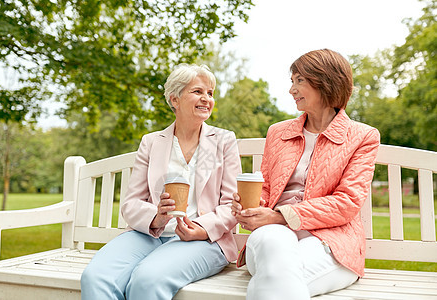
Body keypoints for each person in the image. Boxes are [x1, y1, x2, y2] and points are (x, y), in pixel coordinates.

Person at [81, 64, 242, 299]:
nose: (207, 99)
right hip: (149, 234)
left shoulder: (224, 141)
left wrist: (202, 229)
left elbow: (231, 205)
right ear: (174, 99)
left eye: (210, 93)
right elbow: (132, 203)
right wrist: (156, 217)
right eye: (198, 91)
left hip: (204, 240)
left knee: (147, 280)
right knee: (95, 278)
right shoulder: (151, 142)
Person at [231, 49, 380, 299]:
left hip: (332, 243)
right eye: (292, 81)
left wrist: (280, 216)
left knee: (275, 279)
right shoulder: (278, 132)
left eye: (300, 80)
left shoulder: (363, 136)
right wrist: (253, 206)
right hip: (271, 236)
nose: (292, 89)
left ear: (327, 82)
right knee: (273, 251)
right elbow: (265, 188)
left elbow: (347, 201)